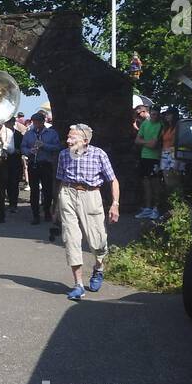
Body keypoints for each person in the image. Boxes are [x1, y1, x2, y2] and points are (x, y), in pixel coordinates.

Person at [54, 123, 120, 300]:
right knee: (71, 238)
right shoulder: (63, 155)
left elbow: (113, 180)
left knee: (97, 240)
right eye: (68, 137)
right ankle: (78, 285)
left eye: (72, 137)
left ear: (84, 140)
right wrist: (56, 208)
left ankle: (98, 268)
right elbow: (61, 181)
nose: (68, 140)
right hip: (67, 193)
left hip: (91, 195)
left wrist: (115, 204)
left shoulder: (99, 154)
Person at [23, 112, 62, 225]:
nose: (36, 124)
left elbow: (57, 147)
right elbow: (23, 146)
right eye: (34, 122)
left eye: (38, 122)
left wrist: (44, 146)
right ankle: (35, 215)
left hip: (46, 164)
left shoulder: (52, 133)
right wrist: (29, 151)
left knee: (47, 190)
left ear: (43, 121)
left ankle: (47, 212)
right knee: (34, 191)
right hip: (33, 163)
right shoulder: (29, 134)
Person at [134, 105, 163, 219]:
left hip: (155, 157)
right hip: (144, 156)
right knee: (146, 183)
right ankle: (148, 208)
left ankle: (156, 208)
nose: (154, 117)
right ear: (149, 113)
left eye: (156, 114)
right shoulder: (145, 123)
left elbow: (154, 145)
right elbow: (137, 140)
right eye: (152, 114)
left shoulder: (160, 125)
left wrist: (144, 142)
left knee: (155, 183)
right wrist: (147, 142)